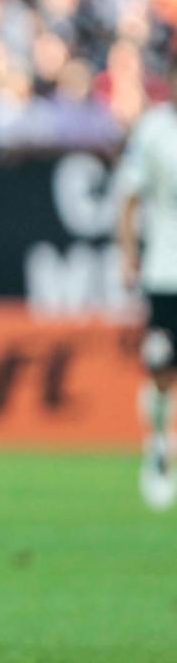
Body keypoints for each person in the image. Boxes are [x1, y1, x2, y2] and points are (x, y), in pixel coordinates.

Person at [117, 97, 177, 510]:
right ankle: (157, 445)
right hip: (167, 268)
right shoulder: (155, 128)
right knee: (160, 364)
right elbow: (130, 196)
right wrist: (128, 254)